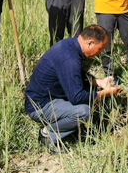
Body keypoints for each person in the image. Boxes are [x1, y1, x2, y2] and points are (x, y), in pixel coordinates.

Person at [25, 25, 121, 153]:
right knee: (84, 111)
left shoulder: (70, 45)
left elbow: (75, 76)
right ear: (90, 43)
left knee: (89, 101)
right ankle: (47, 134)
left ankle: (70, 127)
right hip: (39, 106)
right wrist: (104, 93)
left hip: (53, 97)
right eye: (100, 48)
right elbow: (76, 97)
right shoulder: (69, 58)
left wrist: (98, 82)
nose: (100, 53)